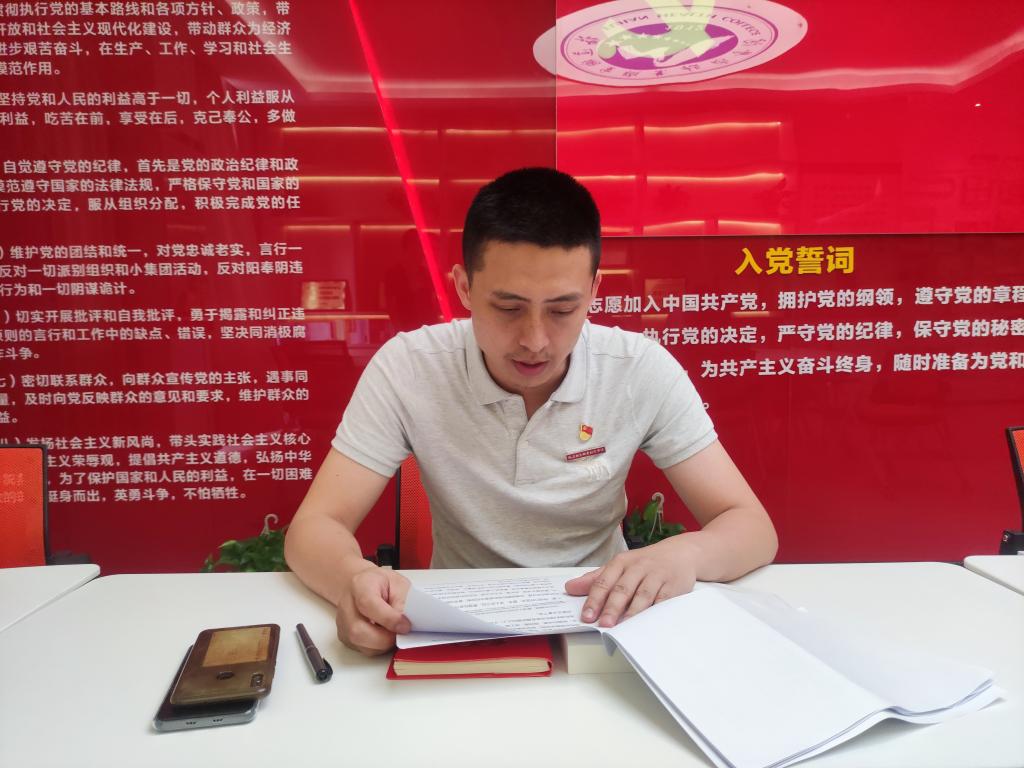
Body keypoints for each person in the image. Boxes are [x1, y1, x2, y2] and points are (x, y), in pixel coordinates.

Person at [285, 167, 777, 656]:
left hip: (601, 621)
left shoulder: (638, 369)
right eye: (508, 308)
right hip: (458, 627)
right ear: (464, 287)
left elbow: (750, 526)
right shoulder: (409, 368)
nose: (535, 341)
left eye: (563, 310)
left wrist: (684, 554)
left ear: (594, 291)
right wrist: (353, 580)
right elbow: (314, 527)